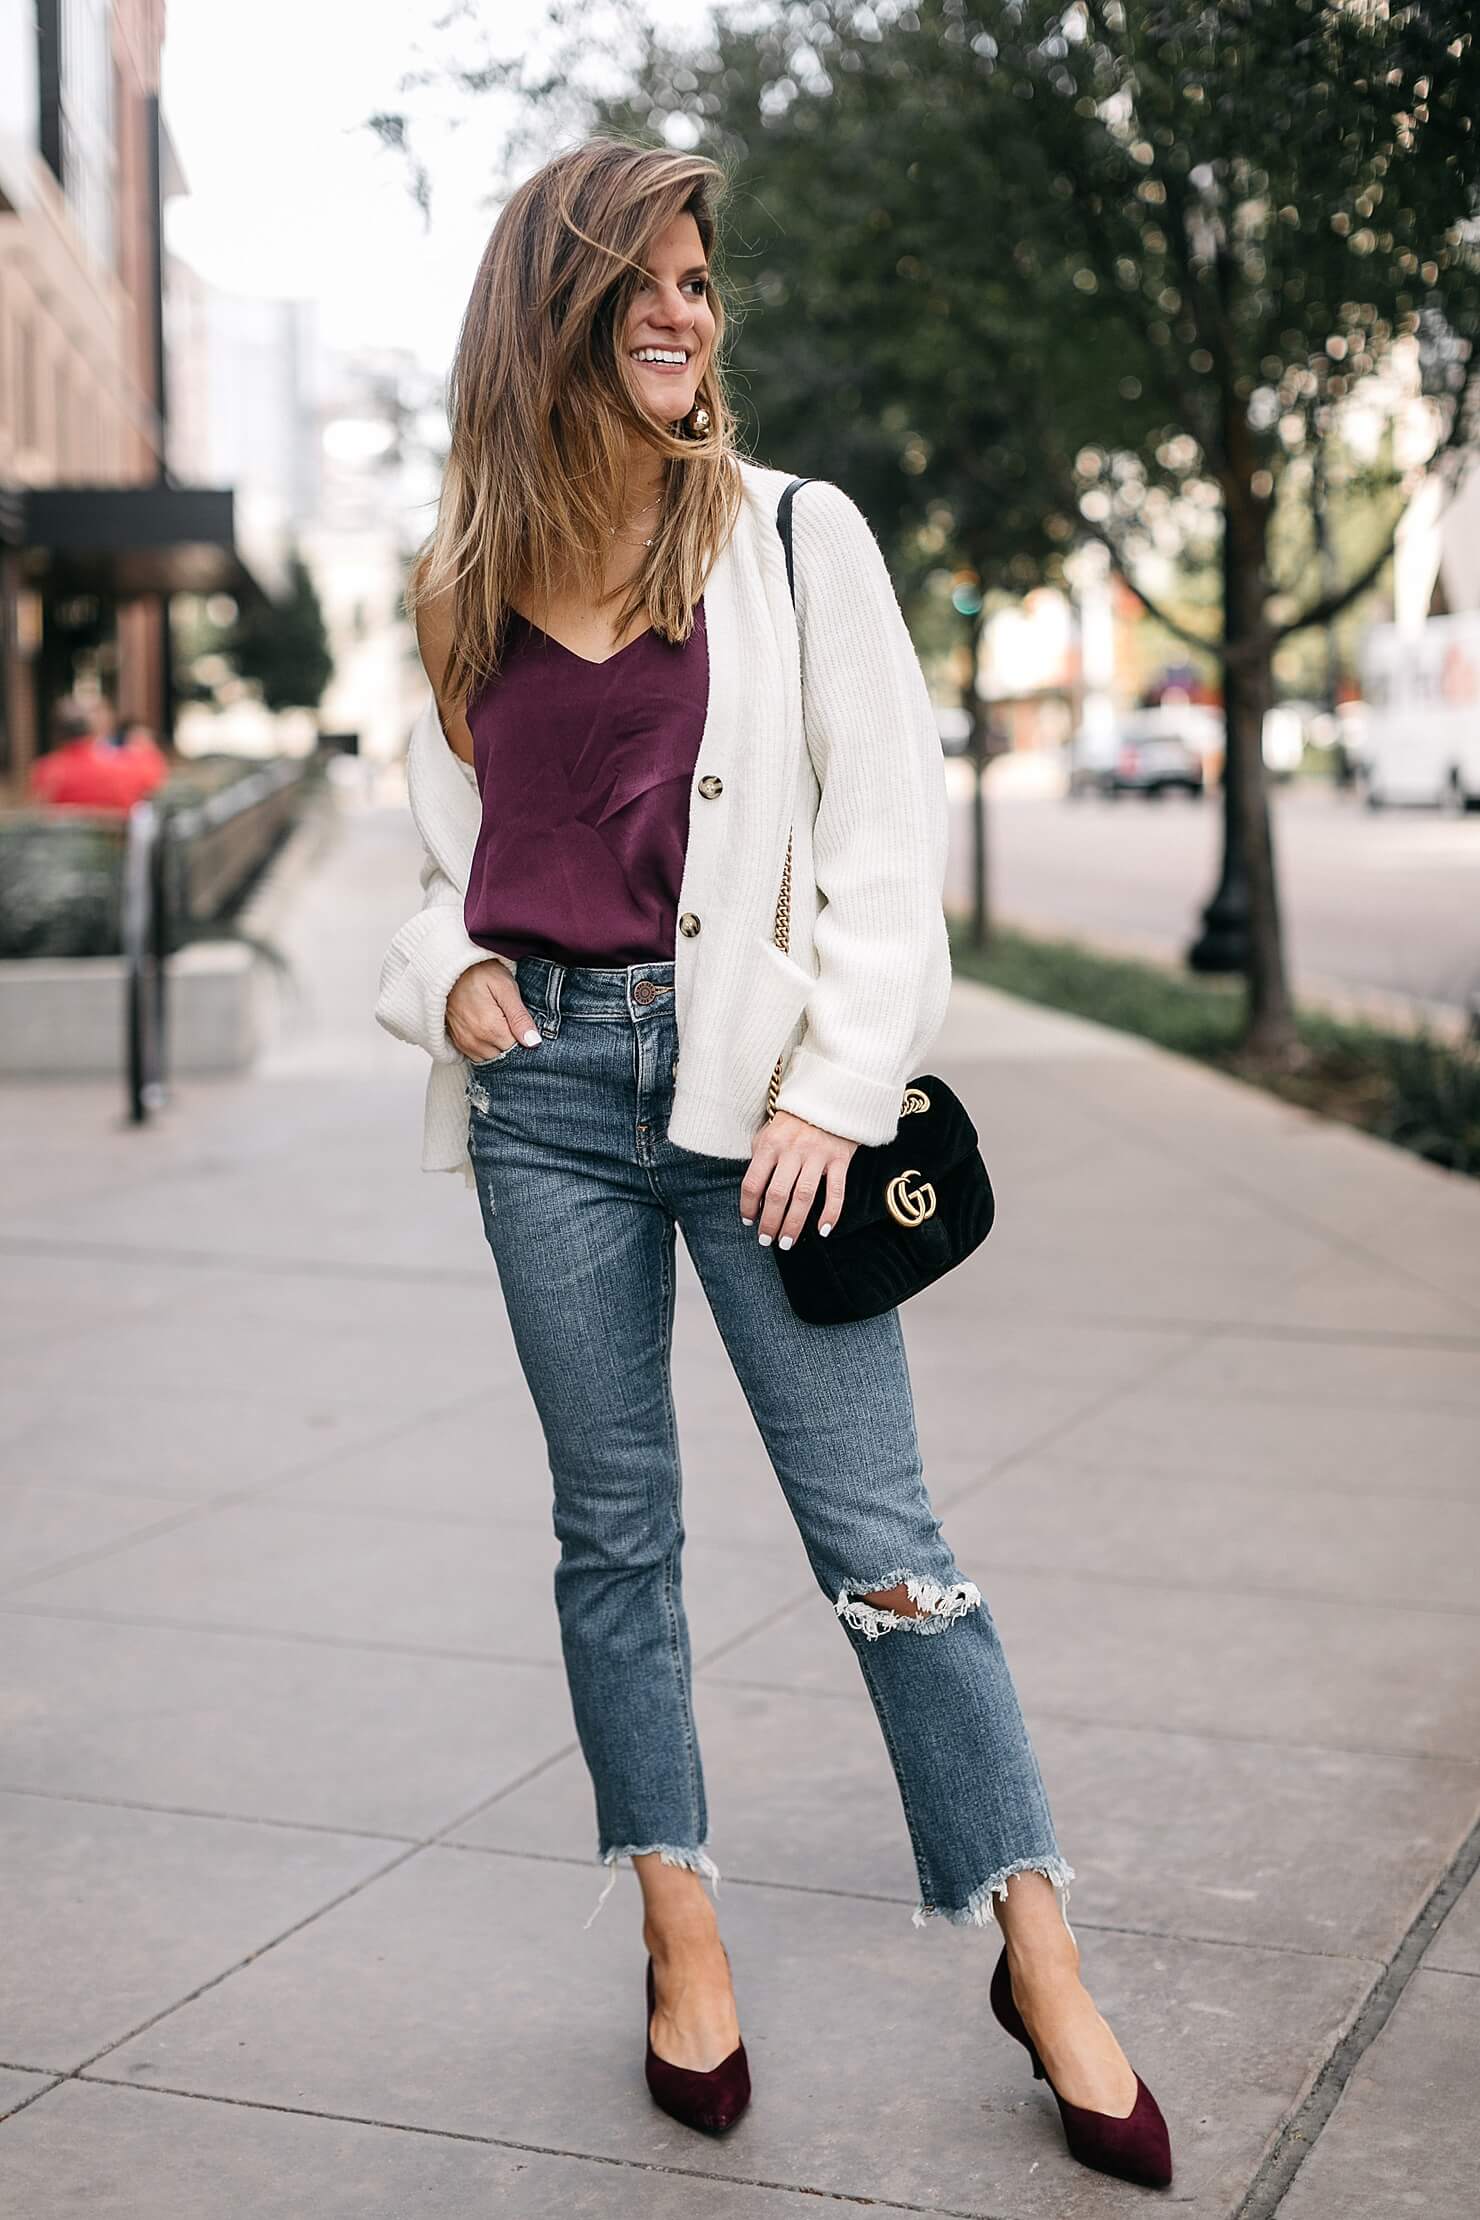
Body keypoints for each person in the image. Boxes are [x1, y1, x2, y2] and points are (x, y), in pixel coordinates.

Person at [375, 137, 1171, 2190]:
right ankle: (676, 1916)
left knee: (885, 1546)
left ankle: (1034, 1943)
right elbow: (424, 843)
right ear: (544, 315)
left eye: (698, 281)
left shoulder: (793, 537)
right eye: (635, 280)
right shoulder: (458, 570)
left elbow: (884, 848)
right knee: (611, 1533)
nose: (678, 310)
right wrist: (446, 968)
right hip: (547, 1097)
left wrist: (833, 1082)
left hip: (758, 1112)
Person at [28, 697, 167, 811]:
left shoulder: (48, 770)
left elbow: (39, 812)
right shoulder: (128, 764)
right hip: (117, 842)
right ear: (89, 728)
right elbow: (155, 788)